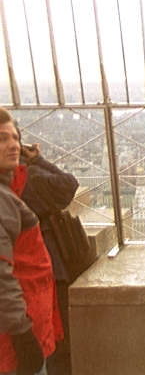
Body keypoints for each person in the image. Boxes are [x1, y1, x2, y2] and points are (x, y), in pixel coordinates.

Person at [0, 107, 63, 375]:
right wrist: (23, 335)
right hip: (14, 342)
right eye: (2, 139)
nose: (13, 145)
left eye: (15, 137)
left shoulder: (8, 190)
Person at [12, 133, 78, 375]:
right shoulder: (31, 180)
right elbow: (68, 185)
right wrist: (38, 161)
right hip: (44, 274)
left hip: (26, 282)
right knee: (53, 349)